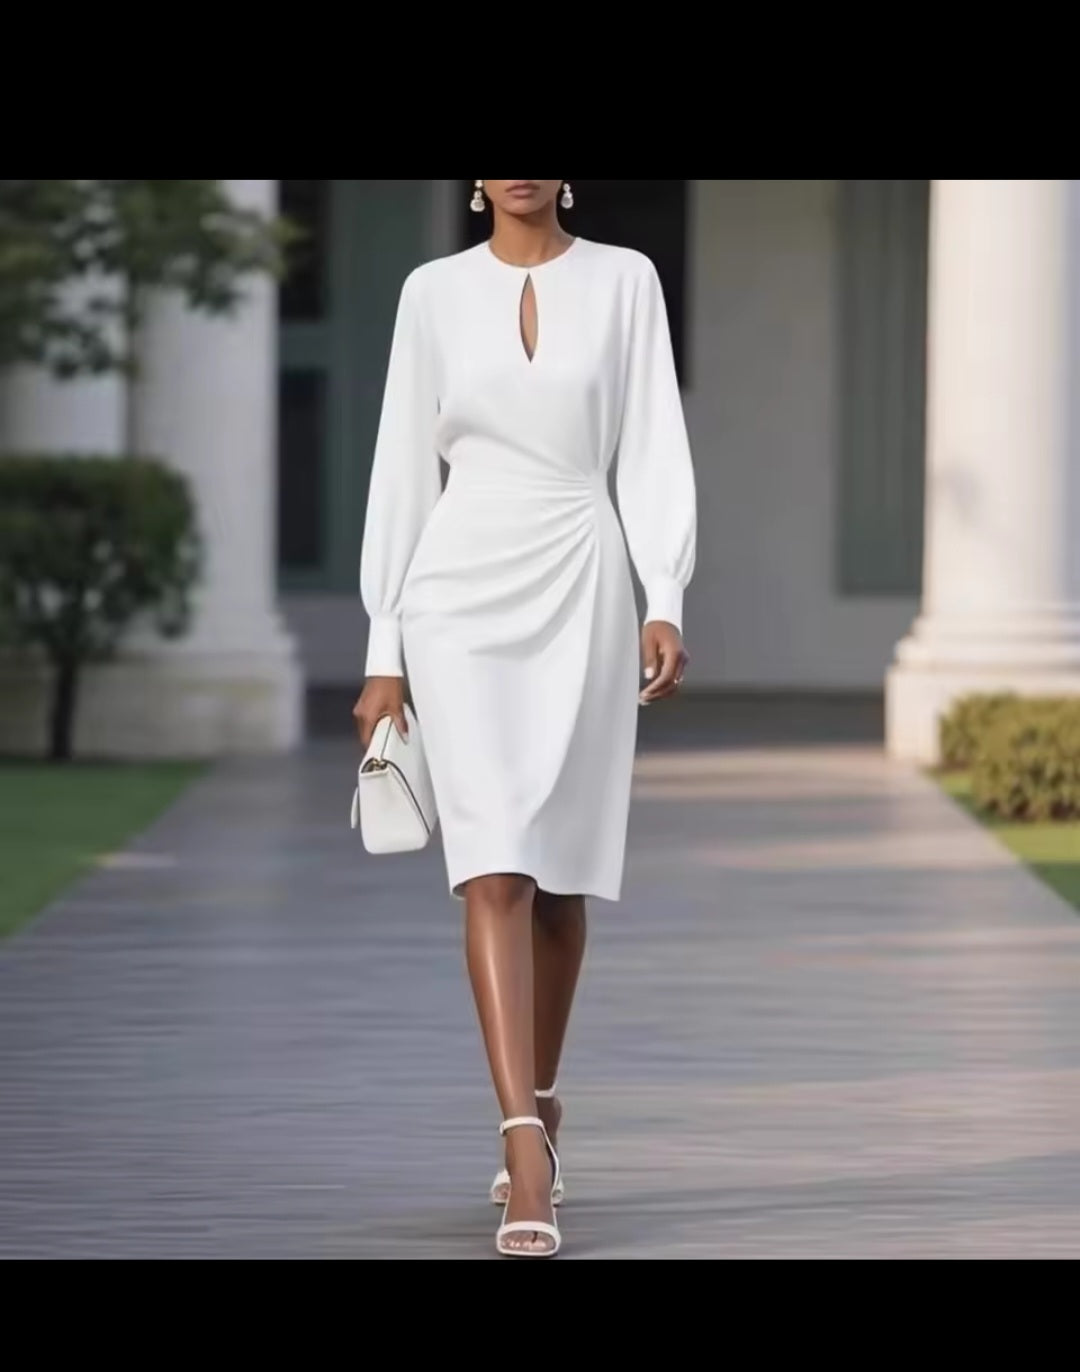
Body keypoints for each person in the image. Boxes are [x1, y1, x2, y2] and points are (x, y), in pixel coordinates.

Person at [354, 179, 697, 1258]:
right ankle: (523, 1148)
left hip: (583, 581)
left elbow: (654, 444)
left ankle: (544, 1097)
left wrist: (665, 594)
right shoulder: (430, 292)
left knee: (559, 877)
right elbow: (403, 468)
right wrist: (383, 647)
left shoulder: (627, 281)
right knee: (493, 864)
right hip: (456, 593)